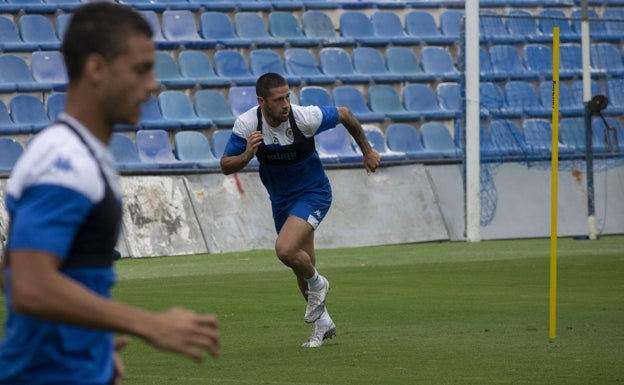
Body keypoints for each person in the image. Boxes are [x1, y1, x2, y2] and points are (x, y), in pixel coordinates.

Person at [0, 3, 219, 384]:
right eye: (141, 70)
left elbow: (11, 268)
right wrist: (147, 323)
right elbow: (29, 286)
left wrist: (93, 341)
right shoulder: (64, 163)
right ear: (97, 69)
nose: (154, 85)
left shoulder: (80, 154)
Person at [220, 73, 381, 348]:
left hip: (313, 193)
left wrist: (367, 150)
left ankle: (319, 284)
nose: (285, 104)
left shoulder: (304, 117)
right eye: (278, 99)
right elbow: (225, 164)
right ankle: (323, 323)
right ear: (262, 102)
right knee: (300, 263)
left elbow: (344, 114)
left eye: (287, 97)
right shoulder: (248, 124)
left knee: (285, 250)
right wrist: (247, 155)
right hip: (281, 200)